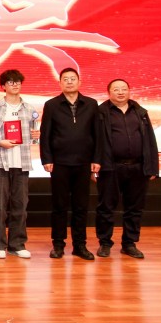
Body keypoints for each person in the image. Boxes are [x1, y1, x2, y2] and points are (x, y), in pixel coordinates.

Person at [39, 67, 101, 260]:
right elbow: (45, 134)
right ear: (60, 83)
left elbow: (98, 134)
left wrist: (96, 159)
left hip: (84, 163)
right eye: (65, 79)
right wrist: (47, 159)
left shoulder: (91, 104)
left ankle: (79, 245)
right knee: (59, 206)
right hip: (59, 163)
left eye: (73, 78)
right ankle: (58, 245)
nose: (69, 82)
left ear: (79, 82)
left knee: (81, 206)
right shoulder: (52, 105)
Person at [94, 79, 160, 259]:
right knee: (106, 207)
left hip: (137, 167)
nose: (120, 92)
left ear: (129, 91)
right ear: (109, 93)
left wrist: (152, 167)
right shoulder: (100, 113)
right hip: (110, 167)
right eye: (116, 89)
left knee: (134, 208)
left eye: (124, 89)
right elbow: (94, 140)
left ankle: (129, 243)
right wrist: (93, 165)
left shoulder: (140, 112)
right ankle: (105, 243)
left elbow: (150, 140)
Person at [0, 69, 41, 259]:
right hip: (0, 163)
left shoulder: (29, 109)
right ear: (3, 86)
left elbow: (34, 136)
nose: (15, 85)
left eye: (18, 82)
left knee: (20, 205)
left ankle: (17, 244)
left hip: (22, 163)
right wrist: (0, 142)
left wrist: (37, 136)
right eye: (11, 82)